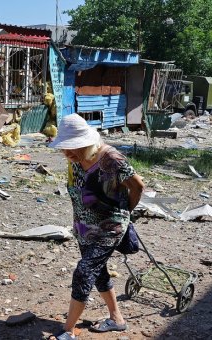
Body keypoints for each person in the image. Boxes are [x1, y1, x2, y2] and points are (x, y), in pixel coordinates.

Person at [48, 114, 145, 340]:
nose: (67, 153)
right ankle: (117, 319)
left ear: (87, 142)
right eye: (65, 148)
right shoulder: (75, 160)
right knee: (97, 272)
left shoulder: (111, 158)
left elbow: (138, 186)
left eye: (73, 148)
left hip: (109, 226)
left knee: (84, 272)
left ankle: (67, 331)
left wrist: (126, 212)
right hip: (84, 226)